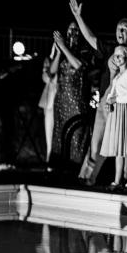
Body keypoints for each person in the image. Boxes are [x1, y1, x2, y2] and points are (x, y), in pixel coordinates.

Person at [68, 0, 127, 186]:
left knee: (122, 144)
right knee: (96, 143)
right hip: (106, 100)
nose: (120, 32)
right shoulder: (110, 49)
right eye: (118, 28)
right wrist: (78, 17)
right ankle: (86, 178)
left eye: (124, 29)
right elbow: (91, 38)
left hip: (123, 104)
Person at [100, 45, 127, 192]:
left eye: (120, 55)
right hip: (118, 114)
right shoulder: (118, 76)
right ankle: (117, 180)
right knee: (119, 150)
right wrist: (109, 101)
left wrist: (116, 99)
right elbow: (112, 94)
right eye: (115, 55)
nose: (117, 58)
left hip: (126, 113)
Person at [50, 22, 90, 169]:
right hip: (61, 100)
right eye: (70, 28)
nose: (73, 31)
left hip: (76, 98)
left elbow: (78, 65)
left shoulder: (84, 50)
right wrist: (59, 51)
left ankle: (76, 168)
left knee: (77, 135)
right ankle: (59, 167)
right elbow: (52, 72)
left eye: (76, 29)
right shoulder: (63, 48)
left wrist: (64, 48)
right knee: (60, 134)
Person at [38, 54, 58, 166]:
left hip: (60, 102)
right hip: (50, 104)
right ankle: (49, 162)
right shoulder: (49, 66)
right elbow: (46, 77)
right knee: (49, 136)